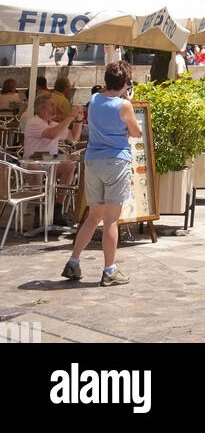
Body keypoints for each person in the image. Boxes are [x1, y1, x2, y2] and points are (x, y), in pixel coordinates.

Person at [62, 59, 142, 287]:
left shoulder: (94, 100)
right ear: (126, 82)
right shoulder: (123, 105)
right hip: (115, 161)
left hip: (93, 160)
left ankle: (74, 261)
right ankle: (109, 270)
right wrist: (129, 103)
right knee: (111, 220)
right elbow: (136, 132)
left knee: (93, 216)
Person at [23, 93, 83, 188]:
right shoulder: (34, 122)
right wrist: (71, 116)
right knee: (34, 167)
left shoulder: (52, 123)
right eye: (51, 105)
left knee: (69, 166)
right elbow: (52, 135)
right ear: (42, 109)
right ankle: (36, 200)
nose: (55, 108)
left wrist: (79, 120)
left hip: (50, 160)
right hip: (33, 160)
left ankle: (58, 203)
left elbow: (73, 137)